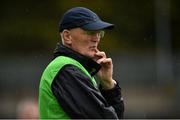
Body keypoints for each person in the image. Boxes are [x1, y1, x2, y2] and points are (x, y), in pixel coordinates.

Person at [39, 7, 124, 119]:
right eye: (90, 32)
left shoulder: (74, 68)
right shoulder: (67, 70)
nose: (96, 39)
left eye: (99, 33)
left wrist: (108, 85)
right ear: (67, 36)